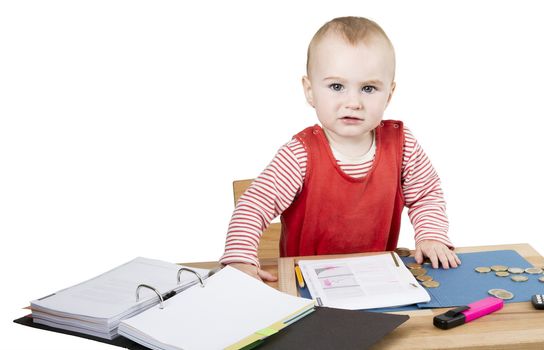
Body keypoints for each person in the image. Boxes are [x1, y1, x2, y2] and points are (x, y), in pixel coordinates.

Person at [220, 16, 461, 281]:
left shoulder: (403, 146)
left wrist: (431, 236)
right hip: (307, 285)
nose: (353, 102)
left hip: (378, 280)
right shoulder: (299, 155)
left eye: (369, 88)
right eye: (336, 86)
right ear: (310, 91)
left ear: (389, 95)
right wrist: (240, 259)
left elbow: (426, 195)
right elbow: (253, 206)